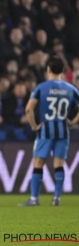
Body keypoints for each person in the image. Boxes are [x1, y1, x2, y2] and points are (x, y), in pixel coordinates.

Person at [19, 57, 79, 206]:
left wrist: (34, 125)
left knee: (38, 163)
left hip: (45, 130)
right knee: (58, 164)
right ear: (64, 71)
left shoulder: (41, 87)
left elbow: (28, 109)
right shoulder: (71, 89)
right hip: (63, 131)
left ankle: (34, 198)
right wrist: (73, 121)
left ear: (48, 70)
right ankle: (56, 198)